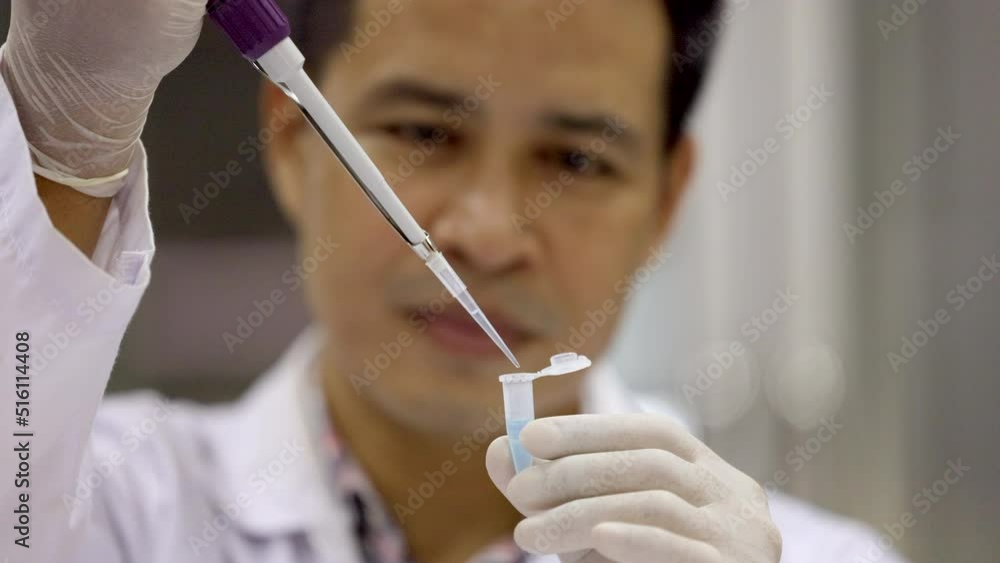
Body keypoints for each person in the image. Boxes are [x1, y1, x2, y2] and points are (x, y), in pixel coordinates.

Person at [0, 0, 909, 561]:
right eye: (426, 133)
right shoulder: (86, 505)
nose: (485, 233)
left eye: (577, 160)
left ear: (667, 199)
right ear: (288, 136)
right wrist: (60, 138)